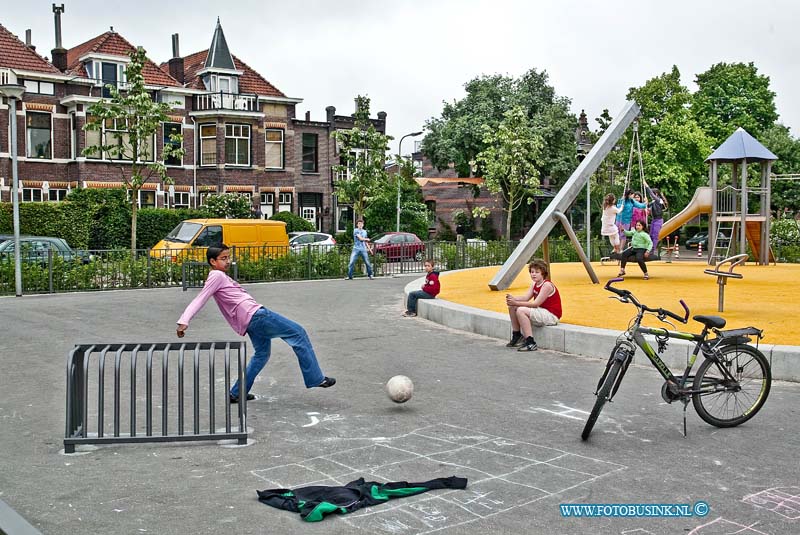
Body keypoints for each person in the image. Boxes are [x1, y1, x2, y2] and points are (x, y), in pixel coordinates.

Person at [176, 244, 335, 403]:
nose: (228, 261)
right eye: (223, 258)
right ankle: (315, 378)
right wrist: (184, 320)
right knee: (298, 332)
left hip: (250, 321)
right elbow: (200, 298)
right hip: (256, 316)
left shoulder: (218, 276)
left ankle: (237, 393)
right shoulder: (216, 275)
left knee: (261, 355)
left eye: (228, 257)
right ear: (212, 261)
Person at [505, 258, 562, 352]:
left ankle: (530, 343)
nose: (533, 274)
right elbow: (526, 298)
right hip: (541, 311)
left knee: (521, 310)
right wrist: (513, 299)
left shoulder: (546, 285)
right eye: (532, 272)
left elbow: (535, 304)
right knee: (512, 307)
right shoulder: (534, 284)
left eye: (537, 272)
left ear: (543, 273)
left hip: (551, 315)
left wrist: (516, 303)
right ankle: (517, 336)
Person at [644, 184, 667, 254]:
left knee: (655, 236)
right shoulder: (653, 201)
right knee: (650, 235)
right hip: (654, 220)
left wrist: (647, 186)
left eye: (652, 195)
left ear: (656, 194)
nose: (651, 196)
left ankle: (652, 250)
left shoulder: (659, 200)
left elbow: (652, 194)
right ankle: (649, 249)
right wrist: (646, 202)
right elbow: (647, 205)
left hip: (658, 220)